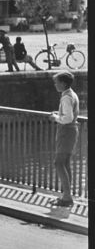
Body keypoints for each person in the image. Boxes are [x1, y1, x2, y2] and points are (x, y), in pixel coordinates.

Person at [48, 71, 79, 207]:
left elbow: (67, 118)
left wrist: (55, 118)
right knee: (65, 163)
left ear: (63, 83)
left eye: (57, 82)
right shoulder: (71, 94)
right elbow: (68, 114)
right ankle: (67, 195)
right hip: (71, 131)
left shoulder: (66, 97)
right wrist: (59, 113)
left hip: (66, 131)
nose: (55, 85)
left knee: (58, 163)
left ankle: (67, 197)